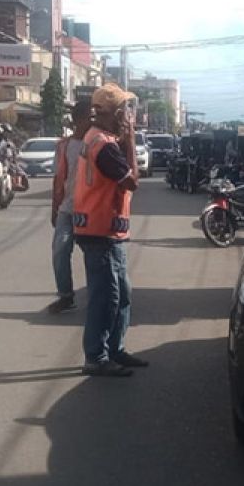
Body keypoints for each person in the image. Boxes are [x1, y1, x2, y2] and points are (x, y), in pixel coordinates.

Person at [73, 84, 149, 377]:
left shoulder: (101, 139)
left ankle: (115, 349)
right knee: (106, 297)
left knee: (122, 294)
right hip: (97, 230)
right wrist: (129, 141)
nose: (128, 117)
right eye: (124, 111)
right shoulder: (104, 146)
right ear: (112, 113)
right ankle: (96, 356)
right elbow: (132, 182)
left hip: (108, 230)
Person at [46, 100, 91, 314]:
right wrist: (55, 209)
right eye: (87, 119)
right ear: (76, 121)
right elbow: (58, 180)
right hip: (67, 209)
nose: (91, 123)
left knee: (94, 255)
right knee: (60, 250)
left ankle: (100, 295)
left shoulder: (98, 143)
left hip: (92, 211)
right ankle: (66, 296)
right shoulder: (64, 145)